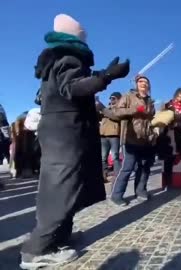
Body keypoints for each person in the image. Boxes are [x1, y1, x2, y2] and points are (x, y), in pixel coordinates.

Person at [20, 14, 130, 268]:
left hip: (60, 130)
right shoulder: (69, 57)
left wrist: (101, 74)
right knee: (61, 187)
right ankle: (36, 250)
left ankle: (59, 236)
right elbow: (74, 88)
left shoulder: (54, 59)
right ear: (76, 37)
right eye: (83, 34)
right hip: (65, 132)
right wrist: (107, 76)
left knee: (66, 184)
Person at [109, 75, 156, 206]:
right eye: (141, 82)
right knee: (127, 168)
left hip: (145, 139)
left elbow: (150, 120)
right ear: (136, 84)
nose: (143, 84)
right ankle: (116, 195)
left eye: (146, 82)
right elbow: (116, 111)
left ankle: (140, 191)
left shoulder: (150, 101)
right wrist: (134, 110)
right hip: (131, 137)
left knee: (144, 168)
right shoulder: (128, 96)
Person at [99, 92, 122, 182]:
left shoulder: (120, 108)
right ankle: (103, 176)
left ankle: (117, 176)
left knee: (115, 156)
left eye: (113, 98)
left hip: (114, 135)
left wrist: (103, 109)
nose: (111, 100)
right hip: (103, 135)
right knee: (103, 157)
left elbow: (115, 116)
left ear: (118, 99)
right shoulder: (106, 108)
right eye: (110, 98)